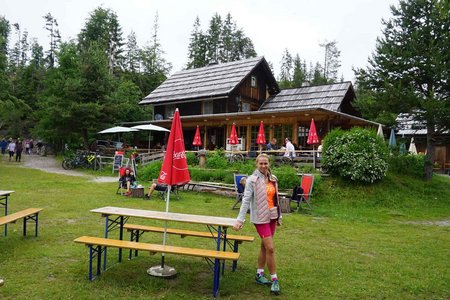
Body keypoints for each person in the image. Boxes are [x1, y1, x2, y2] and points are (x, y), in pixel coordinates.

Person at [233, 153, 282, 295]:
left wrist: (279, 217)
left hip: (272, 216)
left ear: (269, 164)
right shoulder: (251, 180)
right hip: (260, 218)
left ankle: (259, 274)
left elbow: (276, 199)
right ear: (256, 164)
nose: (263, 166)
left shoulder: (273, 179)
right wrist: (239, 220)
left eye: (265, 163)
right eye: (261, 163)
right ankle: (274, 279)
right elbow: (246, 201)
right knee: (271, 248)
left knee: (264, 246)